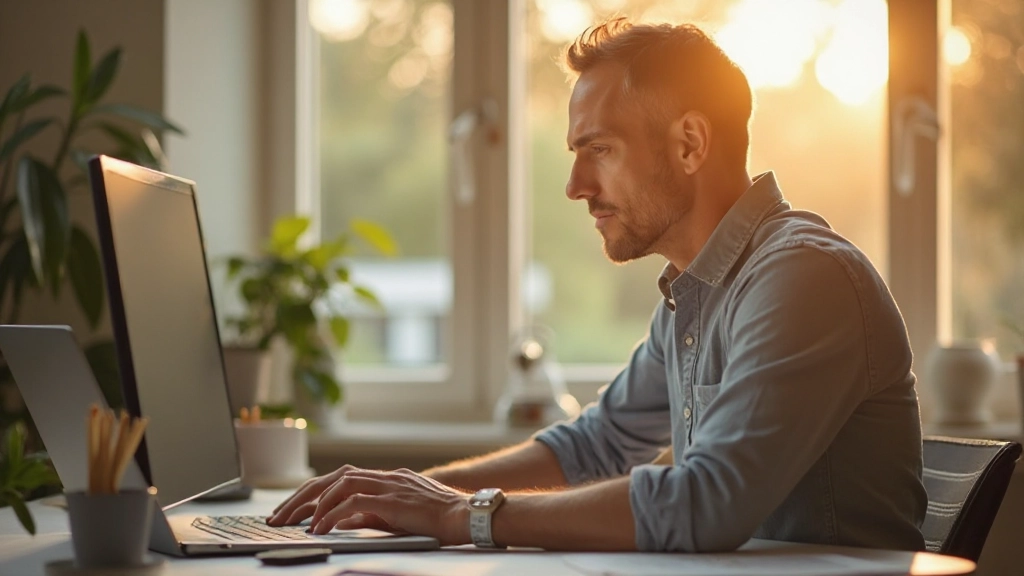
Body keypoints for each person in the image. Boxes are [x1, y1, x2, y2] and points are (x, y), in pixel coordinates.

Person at [267, 18, 927, 553]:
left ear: (690, 143)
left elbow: (706, 502)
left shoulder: (803, 278)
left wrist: (459, 515)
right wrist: (397, 497)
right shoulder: (697, 293)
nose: (575, 186)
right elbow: (596, 446)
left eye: (599, 149)